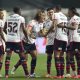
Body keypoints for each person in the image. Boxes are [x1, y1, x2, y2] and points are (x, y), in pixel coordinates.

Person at [11, 9, 46, 77]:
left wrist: (44, 33)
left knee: (34, 57)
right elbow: (27, 30)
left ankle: (32, 73)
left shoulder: (41, 24)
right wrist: (31, 35)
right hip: (25, 43)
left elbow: (41, 33)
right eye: (43, 15)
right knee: (24, 59)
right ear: (39, 15)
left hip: (32, 43)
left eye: (45, 16)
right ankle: (15, 67)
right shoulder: (32, 22)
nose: (45, 17)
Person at [4, 7, 29, 78]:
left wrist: (9, 34)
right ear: (19, 11)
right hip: (17, 40)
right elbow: (24, 29)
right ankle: (27, 74)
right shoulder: (21, 18)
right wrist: (27, 38)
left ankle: (6, 74)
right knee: (22, 56)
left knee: (8, 56)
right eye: (21, 10)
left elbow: (4, 29)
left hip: (9, 40)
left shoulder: (8, 17)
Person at [67, 7, 80, 78]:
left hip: (75, 39)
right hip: (73, 39)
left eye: (69, 11)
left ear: (72, 11)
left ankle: (77, 74)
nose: (68, 12)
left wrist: (65, 26)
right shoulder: (74, 18)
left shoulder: (75, 18)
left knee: (74, 57)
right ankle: (76, 73)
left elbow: (74, 27)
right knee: (73, 57)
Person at [43, 8, 55, 77]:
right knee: (49, 58)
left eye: (52, 12)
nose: (50, 14)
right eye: (49, 12)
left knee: (58, 58)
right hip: (49, 42)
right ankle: (48, 73)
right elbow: (44, 31)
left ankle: (60, 74)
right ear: (47, 13)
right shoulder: (45, 22)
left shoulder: (57, 20)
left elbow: (54, 29)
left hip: (56, 41)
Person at [0, 8, 6, 77]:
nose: (3, 15)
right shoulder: (1, 22)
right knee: (1, 57)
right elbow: (1, 32)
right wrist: (5, 41)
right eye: (1, 13)